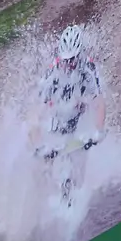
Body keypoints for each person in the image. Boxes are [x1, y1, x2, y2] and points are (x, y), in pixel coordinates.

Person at [37, 23, 106, 208]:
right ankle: (48, 194)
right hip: (56, 116)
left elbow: (98, 103)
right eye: (66, 59)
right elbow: (38, 109)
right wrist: (39, 142)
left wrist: (98, 131)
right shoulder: (52, 72)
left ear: (81, 53)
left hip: (79, 117)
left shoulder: (89, 68)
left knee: (79, 166)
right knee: (49, 158)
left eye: (73, 59)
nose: (69, 63)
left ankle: (75, 195)